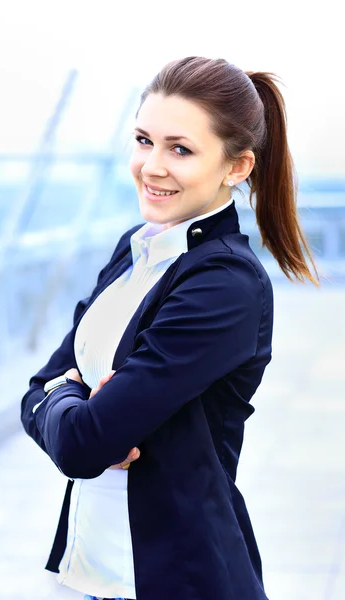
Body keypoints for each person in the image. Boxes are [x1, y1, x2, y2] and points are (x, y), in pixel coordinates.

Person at [20, 56, 319, 600]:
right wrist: (69, 395)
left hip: (175, 578)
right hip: (96, 573)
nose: (151, 166)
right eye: (143, 140)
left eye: (179, 149)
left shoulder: (224, 283)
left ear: (237, 167)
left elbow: (83, 445)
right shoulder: (137, 250)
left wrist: (65, 398)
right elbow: (38, 391)